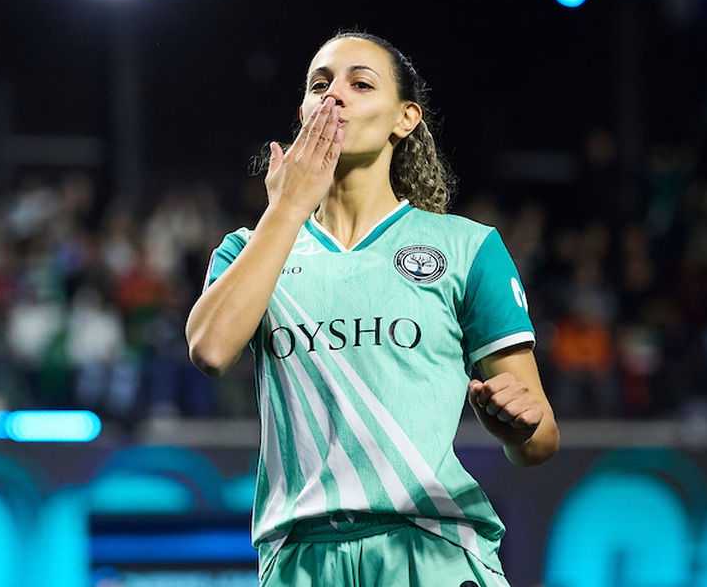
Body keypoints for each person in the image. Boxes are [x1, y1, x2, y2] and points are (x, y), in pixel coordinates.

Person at [185, 31, 558, 586]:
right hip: (300, 561)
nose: (333, 95)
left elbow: (541, 440)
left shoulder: (467, 248)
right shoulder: (249, 250)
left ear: (404, 119)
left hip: (432, 548)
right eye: (320, 84)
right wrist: (287, 207)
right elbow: (210, 350)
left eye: (360, 84)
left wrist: (514, 424)